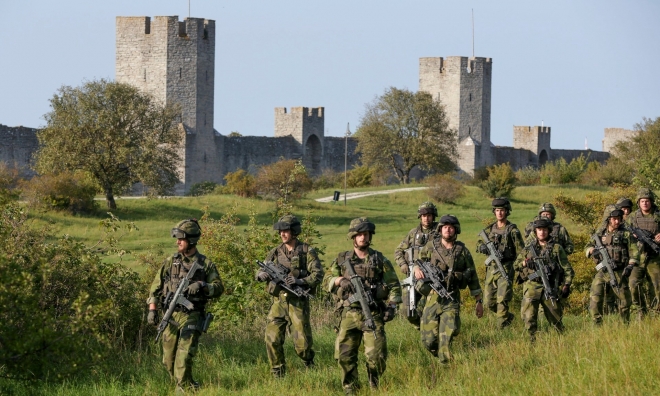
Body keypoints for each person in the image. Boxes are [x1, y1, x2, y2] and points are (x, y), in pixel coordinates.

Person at [324, 217, 401, 395]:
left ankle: (374, 382)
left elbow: (394, 286)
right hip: (349, 314)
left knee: (377, 357)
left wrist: (391, 306)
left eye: (366, 234)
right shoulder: (342, 259)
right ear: (353, 237)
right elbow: (325, 280)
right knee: (344, 356)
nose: (363, 238)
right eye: (359, 234)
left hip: (372, 313)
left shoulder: (379, 260)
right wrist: (339, 280)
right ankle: (350, 389)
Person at [147, 219, 224, 391]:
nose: (177, 242)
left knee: (183, 360)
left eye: (181, 239)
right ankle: (190, 386)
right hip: (171, 315)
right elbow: (155, 288)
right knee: (168, 361)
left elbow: (219, 288)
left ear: (192, 240)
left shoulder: (205, 265)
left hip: (192, 315)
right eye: (177, 239)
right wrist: (152, 310)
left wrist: (203, 286)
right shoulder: (170, 262)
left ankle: (183, 390)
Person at [255, 215, 324, 378]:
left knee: (302, 345)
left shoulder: (306, 251)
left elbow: (318, 275)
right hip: (278, 302)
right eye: (280, 231)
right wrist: (261, 275)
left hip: (297, 302)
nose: (282, 234)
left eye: (285, 231)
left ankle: (308, 362)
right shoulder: (275, 252)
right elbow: (261, 268)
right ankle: (277, 373)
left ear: (294, 231)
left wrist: (300, 280)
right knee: (271, 339)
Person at [415, 215, 483, 364]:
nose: (448, 229)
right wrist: (416, 269)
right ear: (440, 229)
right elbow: (418, 261)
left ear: (456, 230)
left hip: (451, 298)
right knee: (429, 341)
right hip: (432, 297)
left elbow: (473, 276)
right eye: (445, 227)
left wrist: (479, 301)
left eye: (451, 227)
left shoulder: (462, 251)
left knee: (446, 337)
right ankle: (439, 355)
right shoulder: (431, 247)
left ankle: (446, 367)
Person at [515, 218, 574, 342]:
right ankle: (531, 342)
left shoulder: (556, 248)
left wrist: (567, 284)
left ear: (549, 231)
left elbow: (567, 268)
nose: (542, 232)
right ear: (535, 231)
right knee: (529, 318)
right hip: (532, 286)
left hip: (550, 286)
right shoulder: (528, 248)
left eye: (544, 230)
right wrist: (526, 263)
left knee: (556, 318)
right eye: (539, 230)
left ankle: (563, 342)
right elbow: (516, 265)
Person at [476, 198, 524, 328]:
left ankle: (501, 329)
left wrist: (520, 269)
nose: (500, 213)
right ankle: (508, 318)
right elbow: (479, 242)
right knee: (489, 302)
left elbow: (522, 252)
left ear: (507, 212)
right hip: (491, 270)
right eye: (497, 210)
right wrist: (482, 247)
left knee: (502, 301)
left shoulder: (512, 230)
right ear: (494, 212)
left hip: (506, 269)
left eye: (502, 210)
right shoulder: (490, 229)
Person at [585, 206, 637, 324]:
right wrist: (592, 250)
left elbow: (634, 251)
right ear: (608, 219)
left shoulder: (625, 234)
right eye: (614, 219)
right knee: (595, 299)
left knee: (625, 301)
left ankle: (625, 324)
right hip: (602, 272)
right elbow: (587, 246)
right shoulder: (600, 233)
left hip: (618, 271)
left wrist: (630, 265)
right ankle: (597, 325)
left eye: (619, 218)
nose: (617, 221)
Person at [394, 201, 439, 329]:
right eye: (424, 215)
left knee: (435, 308)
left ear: (434, 216)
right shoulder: (413, 234)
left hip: (432, 278)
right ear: (420, 217)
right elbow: (398, 251)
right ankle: (422, 326)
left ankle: (433, 329)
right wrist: (403, 264)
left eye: (429, 215)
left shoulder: (440, 232)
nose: (426, 218)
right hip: (413, 277)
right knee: (407, 311)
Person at [627, 188, 660, 317]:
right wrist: (632, 236)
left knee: (657, 286)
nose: (645, 203)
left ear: (651, 201)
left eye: (647, 201)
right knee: (633, 285)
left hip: (655, 257)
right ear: (638, 203)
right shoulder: (632, 217)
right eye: (642, 201)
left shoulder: (658, 215)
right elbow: (623, 232)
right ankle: (642, 310)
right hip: (637, 258)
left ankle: (657, 313)